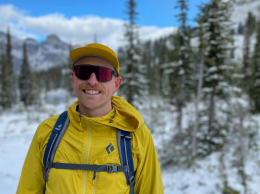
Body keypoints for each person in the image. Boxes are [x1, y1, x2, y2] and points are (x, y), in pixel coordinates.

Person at [16, 43, 164, 194]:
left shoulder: (136, 135)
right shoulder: (48, 131)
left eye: (103, 74)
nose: (92, 81)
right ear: (73, 79)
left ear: (116, 84)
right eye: (83, 71)